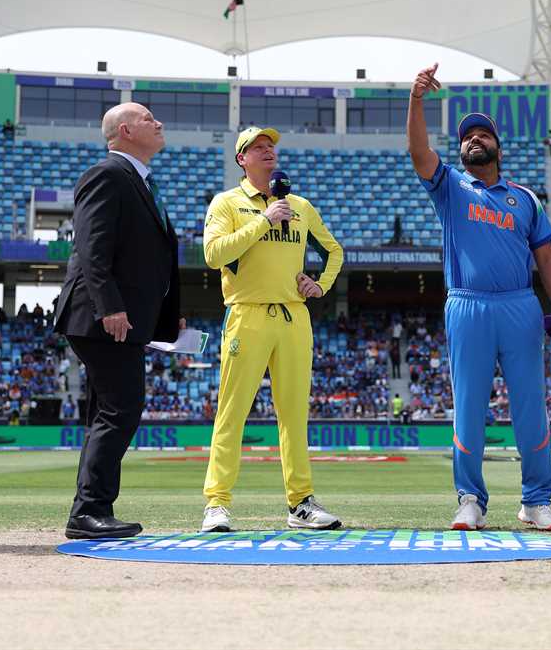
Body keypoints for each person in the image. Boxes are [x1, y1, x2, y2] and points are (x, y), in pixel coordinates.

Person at [407, 62, 551, 531]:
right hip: (467, 303)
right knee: (470, 409)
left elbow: (547, 258)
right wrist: (416, 99)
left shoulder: (525, 198)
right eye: (466, 137)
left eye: (482, 135)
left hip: (520, 305)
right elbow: (419, 151)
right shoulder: (451, 187)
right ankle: (469, 499)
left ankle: (536, 500)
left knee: (529, 410)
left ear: (498, 145)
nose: (473, 140)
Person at [200, 126, 344, 532]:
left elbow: (333, 251)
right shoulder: (226, 202)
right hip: (246, 313)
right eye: (258, 148)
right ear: (241, 159)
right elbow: (213, 255)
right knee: (233, 412)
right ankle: (217, 503)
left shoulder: (299, 204)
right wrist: (264, 220)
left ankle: (300, 504)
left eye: (271, 147)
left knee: (295, 415)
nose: (268, 152)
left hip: (295, 316)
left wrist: (320, 284)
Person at [53, 102, 182, 540]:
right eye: (149, 118)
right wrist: (109, 306)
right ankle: (89, 511)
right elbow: (91, 247)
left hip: (117, 316)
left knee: (107, 413)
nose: (158, 122)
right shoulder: (107, 174)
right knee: (120, 409)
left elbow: (149, 258)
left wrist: (166, 311)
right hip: (100, 316)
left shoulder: (139, 181)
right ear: (125, 131)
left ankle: (88, 510)